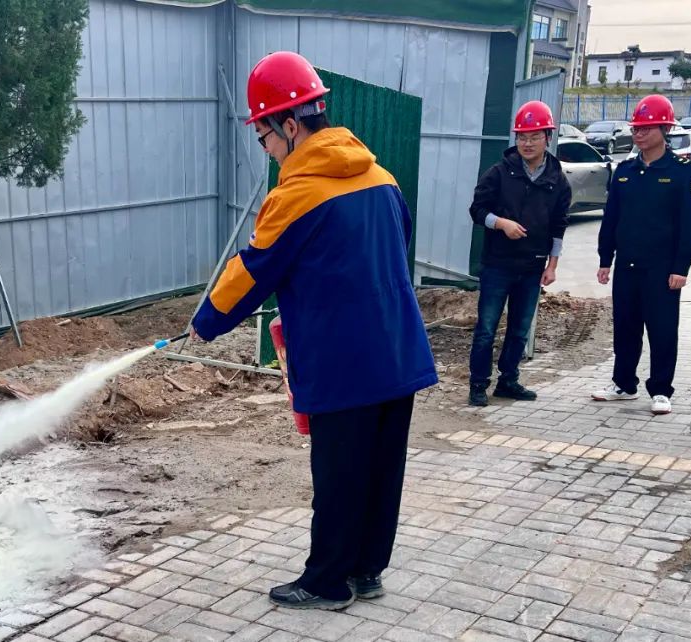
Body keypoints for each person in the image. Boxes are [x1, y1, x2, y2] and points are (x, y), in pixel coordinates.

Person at [190, 51, 437, 610]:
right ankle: (367, 571)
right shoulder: (382, 177)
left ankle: (326, 582)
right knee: (380, 471)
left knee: (338, 476)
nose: (267, 148)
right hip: (397, 355)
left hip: (342, 363)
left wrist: (204, 323)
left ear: (291, 124)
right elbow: (392, 249)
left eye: (265, 137)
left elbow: (254, 270)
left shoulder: (298, 194)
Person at [593, 94, 691, 416]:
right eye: (636, 129)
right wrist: (604, 259)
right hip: (627, 265)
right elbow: (611, 219)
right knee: (625, 327)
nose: (638, 134)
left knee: (662, 329)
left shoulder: (684, 172)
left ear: (664, 129)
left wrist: (681, 266)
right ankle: (624, 384)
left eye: (645, 128)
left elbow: (689, 225)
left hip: (662, 268)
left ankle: (661, 389)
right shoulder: (625, 171)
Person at [467, 101, 571, 407]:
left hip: (532, 267)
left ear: (547, 138)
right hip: (498, 265)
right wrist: (501, 224)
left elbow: (559, 226)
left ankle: (508, 380)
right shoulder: (499, 173)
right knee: (486, 328)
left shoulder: (557, 179)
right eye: (522, 137)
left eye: (534, 137)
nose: (527, 143)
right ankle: (477, 383)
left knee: (519, 329)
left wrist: (552, 265)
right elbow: (477, 210)